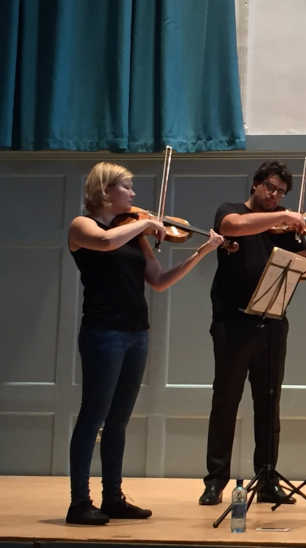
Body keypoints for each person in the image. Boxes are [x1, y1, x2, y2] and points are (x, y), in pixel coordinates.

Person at [67, 162, 225, 525]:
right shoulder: (83, 226)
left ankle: (113, 497)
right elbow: (105, 243)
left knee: (119, 420)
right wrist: (146, 221)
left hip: (137, 332)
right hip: (103, 333)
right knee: (93, 416)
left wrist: (202, 252)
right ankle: (78, 502)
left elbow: (158, 280)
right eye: (127, 188)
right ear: (106, 191)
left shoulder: (135, 234)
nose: (135, 196)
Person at [198, 160, 306, 506]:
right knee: (226, 402)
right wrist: (283, 217)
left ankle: (267, 478)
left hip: (273, 324)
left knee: (268, 405)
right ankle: (215, 480)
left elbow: (304, 259)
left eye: (281, 193)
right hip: (233, 324)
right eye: (270, 188)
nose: (275, 196)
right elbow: (233, 227)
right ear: (256, 185)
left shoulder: (282, 227)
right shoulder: (231, 212)